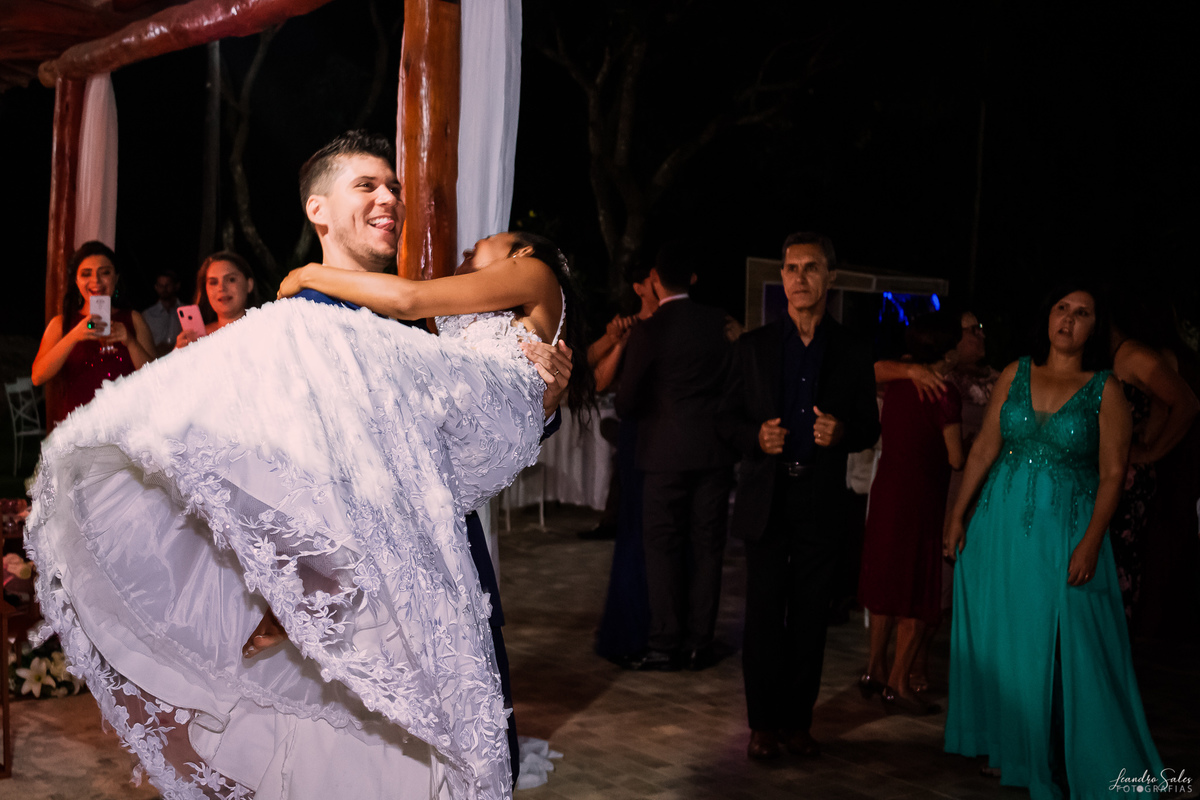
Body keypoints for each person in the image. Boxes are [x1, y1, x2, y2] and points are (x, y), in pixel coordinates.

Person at [26, 131, 583, 800]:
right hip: (350, 610)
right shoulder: (293, 327)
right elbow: (253, 476)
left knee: (473, 761)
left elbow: (462, 426)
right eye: (368, 185)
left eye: (394, 188)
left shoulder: (416, 328)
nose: (390, 199)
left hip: (446, 585)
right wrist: (285, 599)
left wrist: (544, 401)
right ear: (319, 210)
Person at [943, 284, 1163, 798]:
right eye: (1061, 308)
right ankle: (1015, 748)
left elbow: (1112, 475)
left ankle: (1071, 756)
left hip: (1063, 530)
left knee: (1067, 644)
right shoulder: (1016, 373)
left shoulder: (1105, 389)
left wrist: (1090, 543)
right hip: (1001, 528)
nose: (1068, 318)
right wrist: (958, 516)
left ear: (1094, 326)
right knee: (1009, 640)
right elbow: (983, 450)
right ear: (1047, 317)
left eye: (1081, 312)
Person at [718, 231, 880, 760]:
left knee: (811, 621)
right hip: (768, 499)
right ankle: (762, 726)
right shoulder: (755, 347)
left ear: (830, 277)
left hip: (820, 499)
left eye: (811, 268)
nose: (800, 278)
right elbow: (725, 420)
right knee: (764, 619)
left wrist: (844, 432)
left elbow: (869, 427)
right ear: (781, 277)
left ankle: (798, 723)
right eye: (791, 268)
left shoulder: (853, 350)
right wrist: (753, 438)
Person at [614, 242, 736, 672]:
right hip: (713, 452)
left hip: (663, 452)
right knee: (707, 548)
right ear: (694, 279)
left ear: (656, 281)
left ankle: (665, 642)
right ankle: (700, 642)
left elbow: (626, 400)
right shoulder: (716, 323)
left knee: (663, 549)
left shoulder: (652, 328)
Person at [858, 311, 963, 714]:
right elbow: (955, 457)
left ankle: (874, 669)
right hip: (920, 498)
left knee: (885, 583)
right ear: (949, 352)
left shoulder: (899, 383)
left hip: (888, 490)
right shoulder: (944, 394)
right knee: (917, 590)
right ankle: (899, 682)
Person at [1106, 299, 1199, 625]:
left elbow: (1182, 404)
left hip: (1131, 477)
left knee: (1120, 565)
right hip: (1118, 473)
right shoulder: (1117, 356)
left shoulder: (1134, 355)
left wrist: (1149, 452)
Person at [593, 264, 659, 661]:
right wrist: (618, 342)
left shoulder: (673, 323)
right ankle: (632, 626)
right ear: (640, 287)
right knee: (635, 534)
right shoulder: (633, 325)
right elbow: (600, 381)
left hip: (658, 437)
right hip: (638, 437)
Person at [31, 240, 155, 426]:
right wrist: (74, 336)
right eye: (86, 274)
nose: (96, 281)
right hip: (78, 430)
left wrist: (130, 342)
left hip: (126, 428)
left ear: (116, 277)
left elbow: (156, 377)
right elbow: (38, 376)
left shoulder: (133, 319)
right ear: (76, 281)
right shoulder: (61, 324)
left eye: (105, 272)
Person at [175, 251, 261, 348]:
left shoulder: (266, 328)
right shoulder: (196, 339)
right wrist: (179, 353)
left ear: (249, 285)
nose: (221, 288)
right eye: (213, 282)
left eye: (231, 279)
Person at [141, 268, 183, 357]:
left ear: (176, 286)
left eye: (168, 285)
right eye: (161, 285)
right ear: (156, 287)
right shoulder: (147, 315)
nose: (164, 289)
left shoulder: (186, 311)